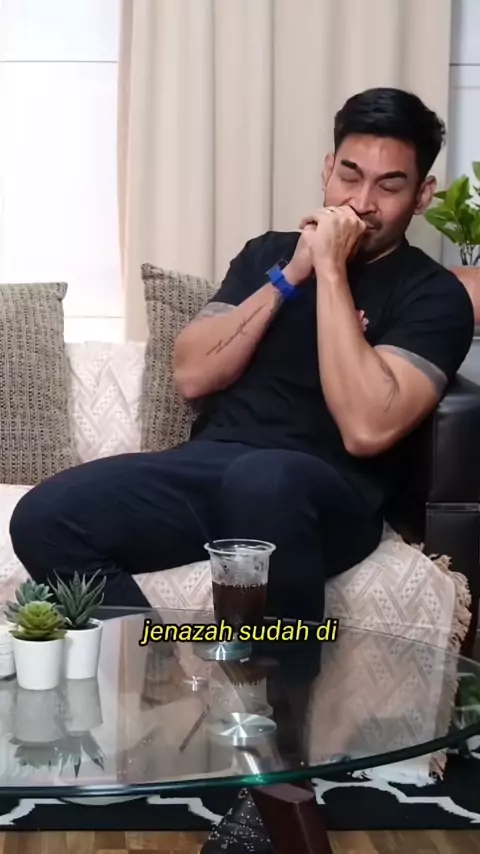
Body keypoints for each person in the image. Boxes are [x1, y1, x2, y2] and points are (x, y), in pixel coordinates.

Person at [9, 87, 474, 629]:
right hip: (214, 468)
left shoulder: (433, 294)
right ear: (327, 170)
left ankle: (277, 684)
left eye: (389, 186)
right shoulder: (267, 255)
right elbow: (192, 375)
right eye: (349, 176)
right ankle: (151, 667)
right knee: (45, 515)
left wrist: (331, 271)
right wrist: (292, 274)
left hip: (329, 493)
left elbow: (366, 430)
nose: (361, 202)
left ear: (422, 195)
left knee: (264, 479)